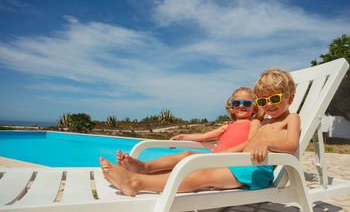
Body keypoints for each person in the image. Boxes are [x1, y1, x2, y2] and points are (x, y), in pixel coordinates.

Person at [101, 70, 300, 196]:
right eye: (264, 101)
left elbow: (292, 146)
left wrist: (267, 144)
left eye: (274, 98)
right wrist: (221, 153)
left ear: (289, 99)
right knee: (190, 158)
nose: (269, 105)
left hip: (255, 172)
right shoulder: (264, 121)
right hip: (239, 164)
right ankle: (143, 168)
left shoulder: (292, 119)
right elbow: (246, 145)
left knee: (202, 174)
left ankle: (136, 182)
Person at [113, 87, 262, 175]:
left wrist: (228, 152)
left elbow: (252, 142)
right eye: (237, 103)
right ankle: (143, 167)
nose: (241, 106)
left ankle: (142, 171)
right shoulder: (228, 126)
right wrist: (183, 136)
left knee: (189, 167)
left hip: (230, 161)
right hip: (215, 157)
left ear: (254, 107)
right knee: (186, 155)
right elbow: (204, 136)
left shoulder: (254, 122)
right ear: (232, 106)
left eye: (246, 103)